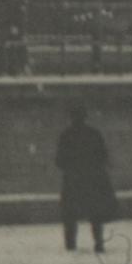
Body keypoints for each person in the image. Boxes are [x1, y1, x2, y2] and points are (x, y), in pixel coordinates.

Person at [55, 104, 119, 254]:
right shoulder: (93, 134)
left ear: (71, 118)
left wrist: (72, 167)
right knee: (96, 213)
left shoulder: (66, 135)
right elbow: (103, 156)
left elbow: (59, 161)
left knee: (70, 213)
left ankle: (71, 245)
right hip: (92, 179)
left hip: (73, 179)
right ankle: (98, 243)